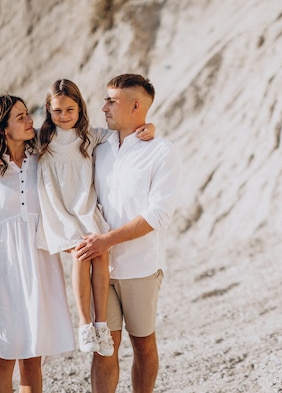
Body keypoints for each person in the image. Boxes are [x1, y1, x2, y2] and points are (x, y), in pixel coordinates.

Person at [0, 79, 156, 357]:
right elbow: (9, 141)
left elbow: (124, 135)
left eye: (70, 110)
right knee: (81, 254)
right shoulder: (42, 138)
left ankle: (101, 321)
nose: (63, 116)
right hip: (59, 213)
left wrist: (151, 127)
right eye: (57, 111)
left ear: (80, 109)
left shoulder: (91, 135)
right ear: (48, 111)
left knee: (100, 254)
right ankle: (85, 324)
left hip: (84, 209)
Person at [74, 74, 181, 393]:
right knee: (103, 347)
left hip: (141, 267)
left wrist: (107, 240)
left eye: (112, 100)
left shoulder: (161, 152)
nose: (103, 106)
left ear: (136, 105)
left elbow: (158, 214)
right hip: (100, 268)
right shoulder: (97, 146)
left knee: (143, 345)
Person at [0, 94, 75, 392]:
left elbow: (77, 133)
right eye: (20, 117)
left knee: (32, 357)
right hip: (0, 272)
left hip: (39, 266)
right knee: (0, 359)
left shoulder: (42, 157)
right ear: (2, 128)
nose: (30, 120)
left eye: (28, 114)